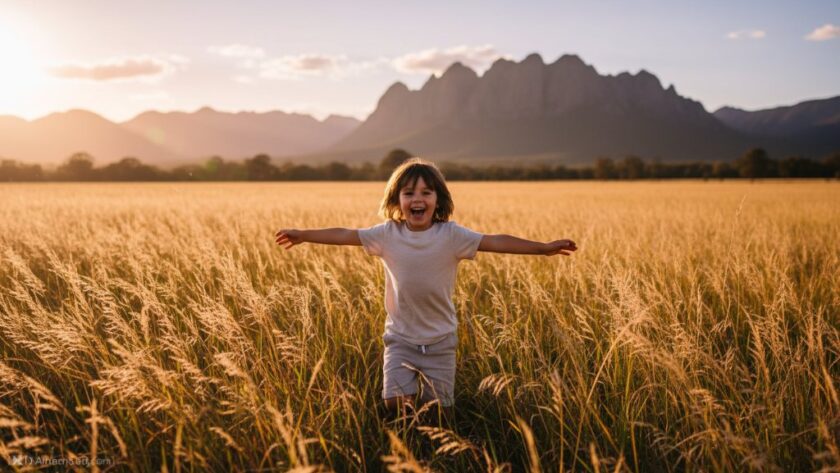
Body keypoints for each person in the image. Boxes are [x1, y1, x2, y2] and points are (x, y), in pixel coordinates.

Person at [275, 157, 577, 427]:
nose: (417, 199)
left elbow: (496, 241)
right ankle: (409, 434)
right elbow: (345, 234)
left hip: (440, 341)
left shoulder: (452, 236)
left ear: (438, 199)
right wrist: (304, 235)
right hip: (400, 339)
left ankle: (432, 440)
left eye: (425, 192)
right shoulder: (386, 234)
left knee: (440, 416)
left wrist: (543, 248)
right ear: (397, 200)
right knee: (395, 402)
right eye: (408, 193)